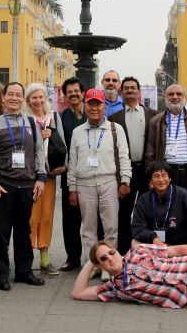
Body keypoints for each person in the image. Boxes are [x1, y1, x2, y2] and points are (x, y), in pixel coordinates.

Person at [0, 82, 47, 290]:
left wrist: (41, 178)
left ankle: (24, 272)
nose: (14, 98)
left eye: (18, 95)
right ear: (3, 97)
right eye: (10, 94)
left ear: (22, 99)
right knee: (2, 232)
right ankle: (1, 275)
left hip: (27, 185)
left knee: (23, 230)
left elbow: (38, 152)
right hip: (3, 185)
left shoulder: (31, 122)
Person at [68, 87, 132, 280]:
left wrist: (125, 180)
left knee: (110, 227)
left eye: (98, 104)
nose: (94, 108)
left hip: (108, 182)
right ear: (85, 106)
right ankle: (92, 265)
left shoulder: (115, 129)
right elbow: (72, 162)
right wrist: (72, 188)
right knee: (88, 228)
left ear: (104, 106)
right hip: (84, 184)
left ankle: (108, 266)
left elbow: (123, 156)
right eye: (90, 104)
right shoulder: (78, 132)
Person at [108, 76, 158, 254]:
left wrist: (154, 174)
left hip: (145, 171)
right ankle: (123, 252)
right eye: (126, 88)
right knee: (123, 213)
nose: (129, 90)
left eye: (133, 88)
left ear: (139, 92)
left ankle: (146, 251)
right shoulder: (114, 118)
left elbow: (157, 147)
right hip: (125, 173)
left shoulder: (153, 115)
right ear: (121, 92)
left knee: (147, 212)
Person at [24, 83, 67, 276]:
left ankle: (44, 257)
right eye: (33, 97)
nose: (38, 101)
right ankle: (26, 257)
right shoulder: (25, 120)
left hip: (49, 175)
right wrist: (39, 138)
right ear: (28, 100)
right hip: (29, 176)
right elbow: (21, 147)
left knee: (47, 215)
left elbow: (63, 143)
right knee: (30, 216)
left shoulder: (54, 117)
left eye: (40, 97)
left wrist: (64, 166)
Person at [145, 84, 187, 205]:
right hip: (166, 174)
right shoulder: (156, 121)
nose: (175, 97)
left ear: (185, 97)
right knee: (168, 208)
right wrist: (151, 177)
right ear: (165, 97)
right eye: (171, 94)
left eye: (179, 94)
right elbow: (150, 152)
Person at [131, 161, 187, 246]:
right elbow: (137, 228)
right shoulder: (143, 200)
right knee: (134, 243)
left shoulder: (183, 195)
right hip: (154, 245)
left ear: (170, 179)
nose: (161, 180)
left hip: (180, 246)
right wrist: (153, 237)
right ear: (151, 181)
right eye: (156, 176)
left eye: (164, 175)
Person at [59, 77, 87, 271]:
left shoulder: (95, 112)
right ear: (65, 96)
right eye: (70, 92)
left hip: (92, 174)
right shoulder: (61, 118)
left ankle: (95, 257)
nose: (74, 94)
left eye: (76, 91)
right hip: (69, 174)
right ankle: (72, 258)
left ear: (83, 93)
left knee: (94, 219)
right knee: (70, 220)